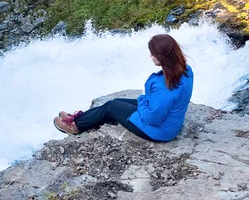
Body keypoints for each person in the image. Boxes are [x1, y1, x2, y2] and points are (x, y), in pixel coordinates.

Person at [53, 34, 194, 142]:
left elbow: (152, 118)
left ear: (163, 57)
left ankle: (75, 127)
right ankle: (78, 119)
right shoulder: (185, 70)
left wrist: (143, 100)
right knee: (115, 102)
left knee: (112, 106)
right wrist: (146, 101)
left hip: (158, 131)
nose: (150, 56)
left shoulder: (166, 85)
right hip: (169, 122)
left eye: (153, 53)